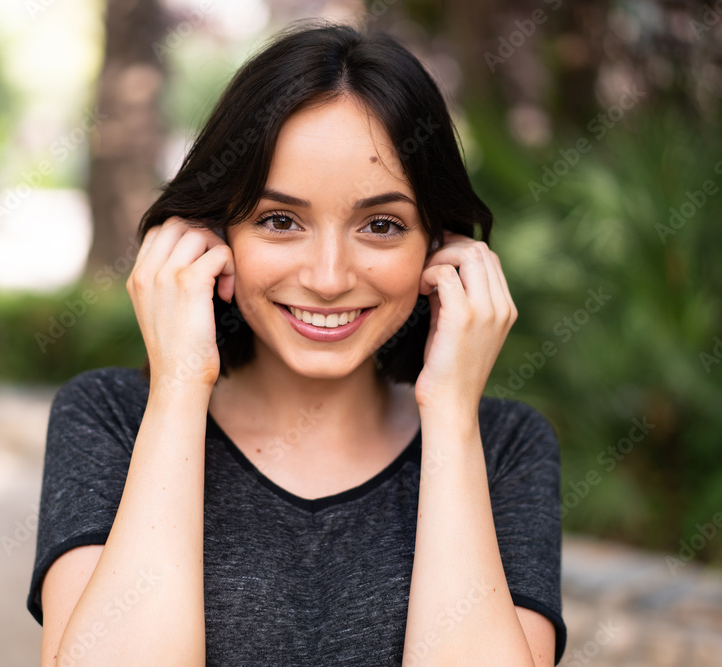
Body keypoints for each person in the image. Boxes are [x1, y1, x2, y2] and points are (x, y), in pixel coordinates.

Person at [28, 21, 566, 666]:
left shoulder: (506, 447)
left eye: (382, 224)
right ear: (210, 236)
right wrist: (178, 385)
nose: (329, 278)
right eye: (279, 220)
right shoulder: (108, 418)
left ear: (440, 247)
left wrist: (450, 412)